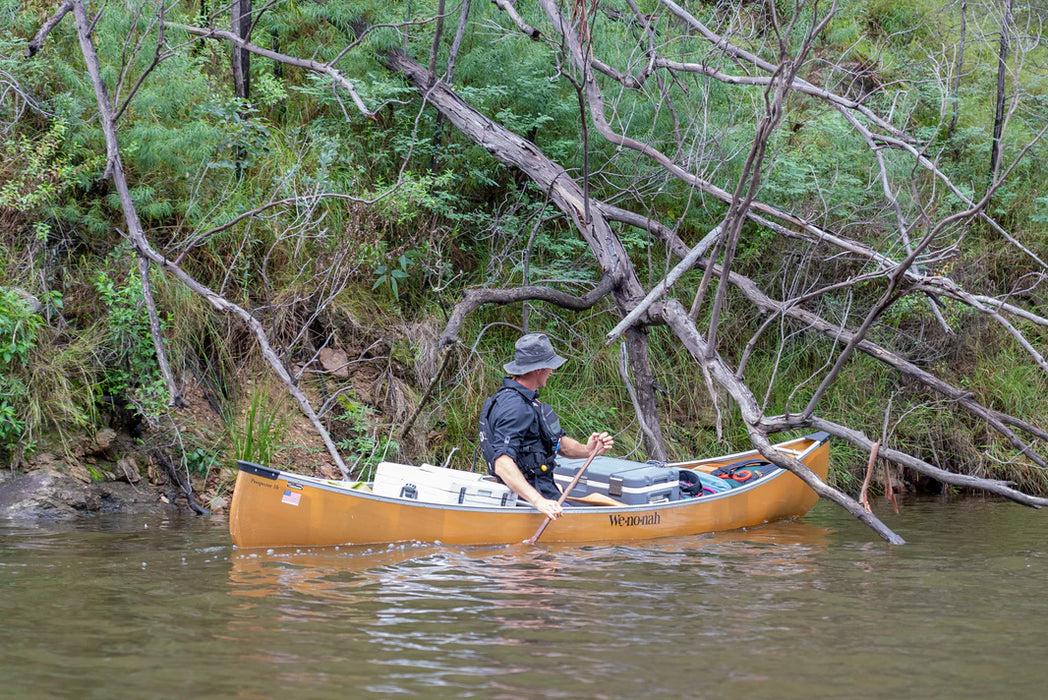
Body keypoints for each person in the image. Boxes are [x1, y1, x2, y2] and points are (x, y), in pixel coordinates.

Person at [479, 333, 614, 520]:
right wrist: (538, 501)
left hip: (544, 492)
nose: (552, 372)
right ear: (538, 369)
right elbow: (502, 463)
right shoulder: (515, 407)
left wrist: (587, 449)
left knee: (596, 503)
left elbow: (557, 443)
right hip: (529, 500)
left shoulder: (525, 401)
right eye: (550, 367)